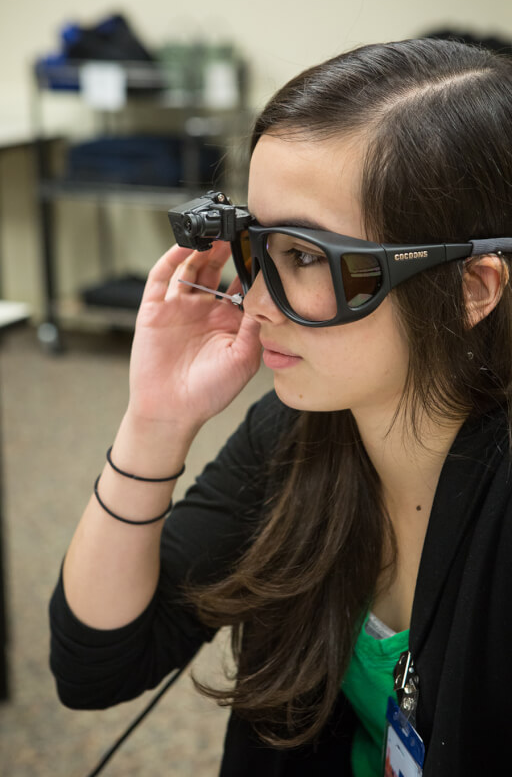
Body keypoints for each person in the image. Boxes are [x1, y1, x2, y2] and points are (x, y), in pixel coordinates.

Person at [49, 38, 512, 776]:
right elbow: (96, 667)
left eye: (304, 256)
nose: (256, 303)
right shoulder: (300, 433)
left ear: (471, 291)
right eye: (255, 246)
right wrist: (156, 421)